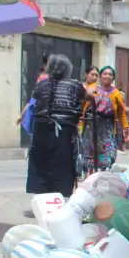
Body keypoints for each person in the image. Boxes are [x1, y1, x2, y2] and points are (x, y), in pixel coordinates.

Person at [26, 54, 93, 198]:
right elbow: (88, 97)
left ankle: (42, 199)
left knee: (41, 165)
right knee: (62, 166)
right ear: (67, 69)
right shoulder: (75, 85)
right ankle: (61, 200)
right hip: (63, 132)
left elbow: (36, 99)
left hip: (41, 131)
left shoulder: (41, 84)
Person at [90, 66, 129, 170]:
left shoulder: (116, 93)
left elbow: (121, 112)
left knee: (108, 152)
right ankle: (90, 174)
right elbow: (84, 106)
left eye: (110, 74)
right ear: (100, 76)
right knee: (91, 150)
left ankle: (104, 173)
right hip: (93, 124)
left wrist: (125, 127)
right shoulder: (93, 88)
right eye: (105, 73)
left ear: (113, 78)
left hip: (108, 126)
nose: (107, 76)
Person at [78, 65, 100, 175]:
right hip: (80, 119)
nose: (95, 77)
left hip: (92, 122)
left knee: (89, 146)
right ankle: (80, 170)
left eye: (97, 75)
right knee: (80, 145)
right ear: (87, 75)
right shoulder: (80, 87)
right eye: (92, 75)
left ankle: (89, 172)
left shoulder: (98, 89)